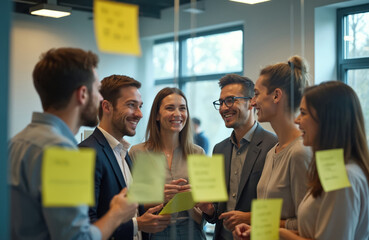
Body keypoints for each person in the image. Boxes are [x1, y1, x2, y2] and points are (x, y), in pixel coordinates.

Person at [8, 48, 137, 240]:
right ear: (82, 94)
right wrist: (117, 214)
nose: (101, 98)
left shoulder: (15, 143)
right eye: (97, 89)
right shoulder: (64, 153)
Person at [234, 81, 369, 240]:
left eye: (303, 113)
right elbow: (314, 233)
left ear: (327, 119)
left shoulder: (343, 176)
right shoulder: (336, 168)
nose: (297, 120)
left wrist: (279, 232)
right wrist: (261, 231)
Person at [79, 75, 171, 240]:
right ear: (107, 106)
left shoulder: (123, 152)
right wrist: (138, 224)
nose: (140, 114)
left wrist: (149, 215)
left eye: (140, 106)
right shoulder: (87, 152)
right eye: (131, 105)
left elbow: (133, 210)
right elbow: (86, 226)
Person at [198, 74, 278, 240]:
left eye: (230, 100)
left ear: (251, 102)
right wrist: (209, 208)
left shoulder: (273, 145)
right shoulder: (219, 149)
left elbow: (280, 207)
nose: (223, 108)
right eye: (221, 102)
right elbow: (216, 211)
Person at [129, 87, 206, 240]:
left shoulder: (198, 153)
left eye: (182, 108)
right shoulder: (138, 153)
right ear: (157, 115)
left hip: (192, 231)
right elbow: (133, 205)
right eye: (170, 108)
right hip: (155, 231)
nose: (177, 114)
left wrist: (200, 200)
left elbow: (207, 207)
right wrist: (158, 197)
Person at [248, 56, 312, 230]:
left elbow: (309, 224)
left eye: (256, 94)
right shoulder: (272, 152)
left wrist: (261, 225)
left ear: (276, 95)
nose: (252, 103)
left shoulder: (300, 152)